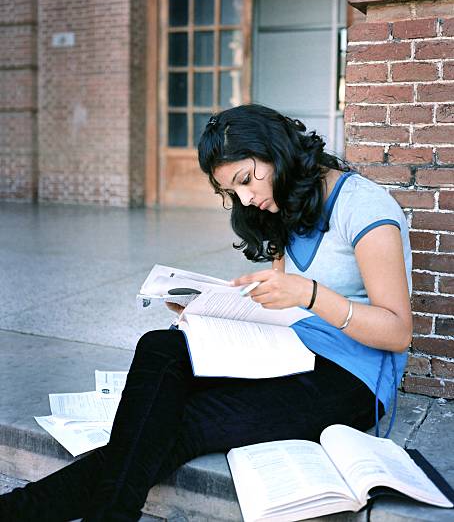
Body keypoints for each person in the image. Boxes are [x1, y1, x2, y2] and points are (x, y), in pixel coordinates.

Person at [0, 104, 413, 522]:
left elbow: (397, 331)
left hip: (351, 379)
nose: (247, 198)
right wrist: (216, 310)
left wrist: (309, 294)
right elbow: (285, 307)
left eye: (247, 180)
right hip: (292, 349)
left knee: (172, 427)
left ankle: (26, 510)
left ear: (277, 150)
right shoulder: (289, 201)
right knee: (161, 347)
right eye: (234, 192)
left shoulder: (363, 207)